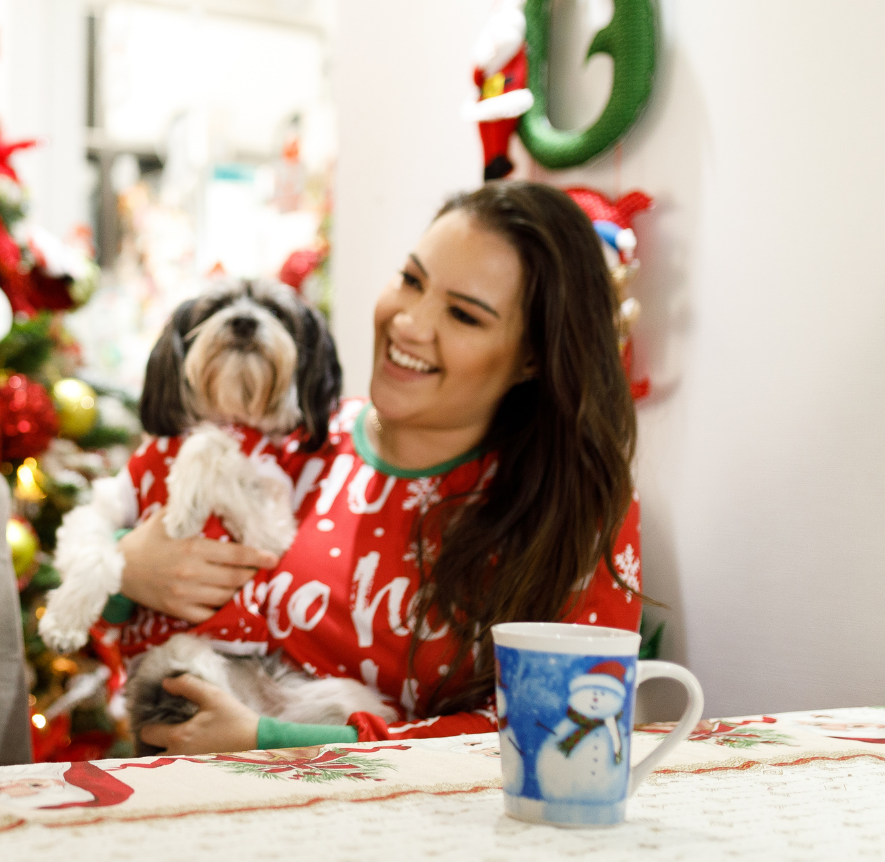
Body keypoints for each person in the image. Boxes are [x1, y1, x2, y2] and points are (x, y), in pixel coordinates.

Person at [121, 180, 641, 754]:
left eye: (464, 315)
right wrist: (126, 568)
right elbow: (127, 594)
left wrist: (273, 740)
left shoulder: (576, 511)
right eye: (411, 280)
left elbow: (560, 731)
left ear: (533, 359)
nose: (410, 324)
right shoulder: (295, 440)